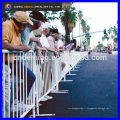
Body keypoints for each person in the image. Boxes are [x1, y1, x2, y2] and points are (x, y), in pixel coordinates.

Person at [2, 11, 36, 113]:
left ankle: (18, 103)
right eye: (26, 25)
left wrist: (23, 47)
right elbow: (3, 44)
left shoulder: (17, 31)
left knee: (30, 76)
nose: (26, 27)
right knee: (5, 92)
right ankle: (5, 115)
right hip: (4, 62)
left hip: (12, 61)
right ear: (21, 23)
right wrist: (21, 48)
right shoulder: (6, 25)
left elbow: (19, 45)